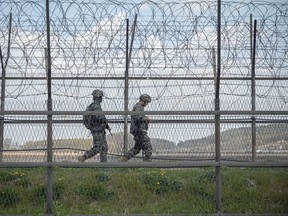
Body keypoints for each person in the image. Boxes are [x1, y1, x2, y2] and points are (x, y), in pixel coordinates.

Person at [78, 89, 111, 162]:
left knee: (104, 148)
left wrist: (106, 124)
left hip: (99, 129)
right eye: (101, 97)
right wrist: (105, 122)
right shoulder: (96, 106)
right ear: (98, 97)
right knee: (98, 147)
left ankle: (103, 164)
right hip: (97, 129)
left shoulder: (94, 106)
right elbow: (99, 117)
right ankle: (84, 157)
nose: (101, 99)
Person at [120, 94, 152, 162]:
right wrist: (145, 118)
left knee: (137, 148)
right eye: (147, 102)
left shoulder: (139, 107)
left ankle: (123, 160)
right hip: (139, 130)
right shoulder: (138, 107)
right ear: (144, 101)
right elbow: (137, 117)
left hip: (138, 130)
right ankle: (147, 163)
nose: (147, 104)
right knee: (148, 146)